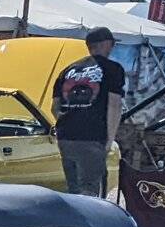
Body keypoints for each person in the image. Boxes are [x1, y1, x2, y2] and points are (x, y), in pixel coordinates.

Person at [52, 28, 125, 198]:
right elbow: (114, 105)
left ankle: (73, 221)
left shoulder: (68, 70)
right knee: (90, 189)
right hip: (92, 136)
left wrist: (68, 123)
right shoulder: (112, 69)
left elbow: (54, 107)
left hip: (66, 137)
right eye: (112, 44)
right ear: (106, 44)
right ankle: (89, 223)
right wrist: (109, 140)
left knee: (74, 189)